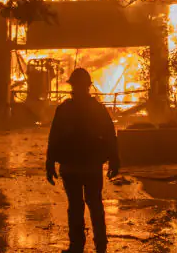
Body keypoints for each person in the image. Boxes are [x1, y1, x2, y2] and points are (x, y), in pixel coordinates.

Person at [46, 68, 120, 253]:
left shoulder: (64, 109)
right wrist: (114, 158)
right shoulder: (96, 109)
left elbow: (54, 138)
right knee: (94, 204)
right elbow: (110, 135)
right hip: (89, 165)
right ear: (88, 86)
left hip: (73, 166)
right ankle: (99, 245)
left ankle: (77, 246)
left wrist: (50, 162)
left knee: (77, 206)